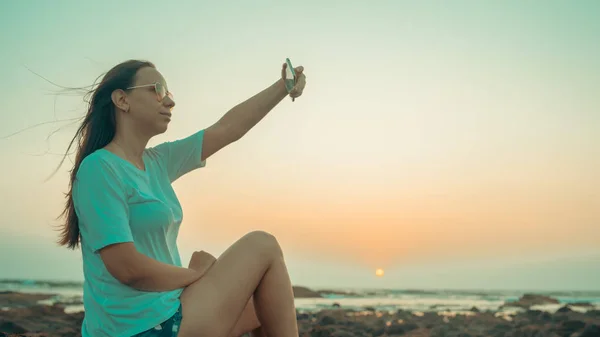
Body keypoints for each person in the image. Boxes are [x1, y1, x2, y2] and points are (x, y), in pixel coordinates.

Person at [56, 59, 307, 337]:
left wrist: (284, 87)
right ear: (121, 99)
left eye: (169, 93)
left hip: (168, 309)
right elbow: (127, 267)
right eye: (157, 89)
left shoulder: (157, 162)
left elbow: (227, 129)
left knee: (258, 304)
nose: (170, 102)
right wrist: (197, 275)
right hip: (139, 328)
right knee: (263, 244)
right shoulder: (100, 168)